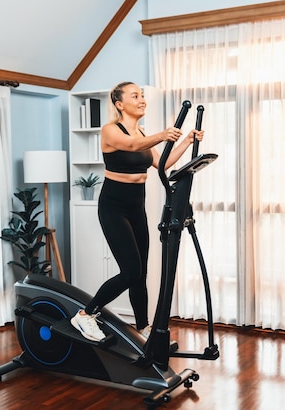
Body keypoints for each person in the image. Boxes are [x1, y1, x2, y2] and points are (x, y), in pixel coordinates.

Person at [71, 81, 204, 342]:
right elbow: (131, 146)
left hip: (136, 206)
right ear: (120, 104)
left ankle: (143, 328)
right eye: (135, 96)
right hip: (113, 206)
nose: (142, 99)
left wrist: (187, 140)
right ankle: (86, 314)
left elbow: (162, 163)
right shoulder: (110, 130)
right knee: (130, 271)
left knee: (140, 273)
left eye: (142, 95)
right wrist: (163, 134)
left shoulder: (142, 132)